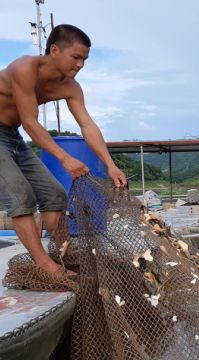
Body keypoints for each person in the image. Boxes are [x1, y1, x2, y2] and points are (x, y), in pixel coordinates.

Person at [0, 24, 127, 276]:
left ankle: (60, 253)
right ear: (55, 50)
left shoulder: (71, 87)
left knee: (55, 195)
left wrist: (110, 164)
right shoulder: (24, 68)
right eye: (76, 57)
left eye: (84, 60)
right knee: (21, 195)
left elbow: (87, 125)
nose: (80, 65)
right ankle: (44, 264)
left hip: (12, 135)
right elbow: (30, 122)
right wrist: (64, 158)